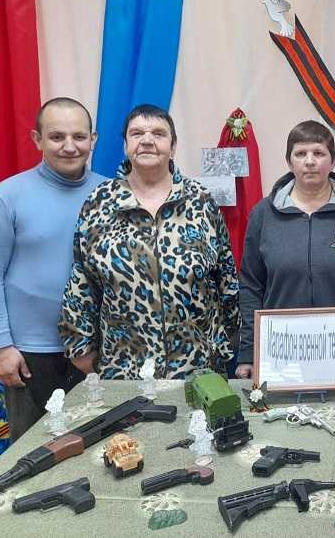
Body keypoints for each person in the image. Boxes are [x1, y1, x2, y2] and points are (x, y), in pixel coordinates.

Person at [59, 104, 239, 379]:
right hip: (124, 370)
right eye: (136, 133)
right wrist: (80, 347)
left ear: (173, 146)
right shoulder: (99, 203)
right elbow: (82, 280)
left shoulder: (200, 200)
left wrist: (229, 341)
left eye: (158, 133)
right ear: (125, 145)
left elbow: (225, 275)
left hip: (197, 368)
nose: (147, 140)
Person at [0, 98, 105, 440]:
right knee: (32, 456)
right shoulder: (6, 197)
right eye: (57, 136)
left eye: (79, 136)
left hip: (95, 352)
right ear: (37, 139)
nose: (69, 146)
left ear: (93, 139)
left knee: (98, 452)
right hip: (28, 356)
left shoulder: (110, 196)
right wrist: (0, 347)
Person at [236, 121, 335, 380]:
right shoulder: (263, 215)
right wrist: (249, 352)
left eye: (318, 153)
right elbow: (251, 287)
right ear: (289, 162)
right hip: (282, 352)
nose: (309, 161)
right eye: (300, 153)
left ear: (333, 161)